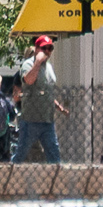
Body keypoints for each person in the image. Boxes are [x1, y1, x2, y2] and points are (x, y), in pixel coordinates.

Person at [15, 33, 63, 165]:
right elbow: (29, 81)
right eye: (44, 48)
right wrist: (37, 62)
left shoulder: (49, 67)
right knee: (21, 154)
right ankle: (8, 177)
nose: (47, 51)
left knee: (54, 155)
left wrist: (58, 106)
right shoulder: (28, 64)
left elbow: (47, 91)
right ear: (36, 49)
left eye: (50, 48)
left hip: (47, 120)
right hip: (31, 120)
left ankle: (56, 181)